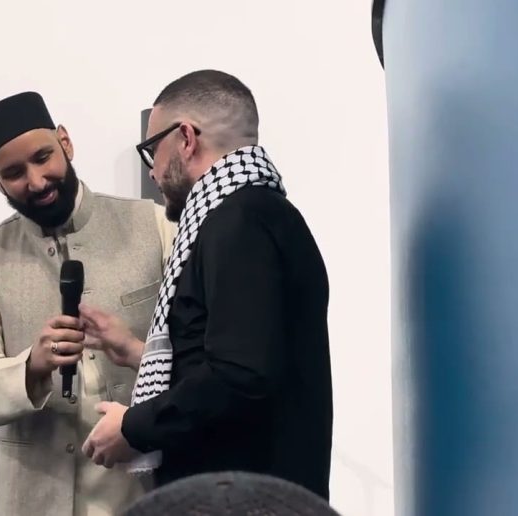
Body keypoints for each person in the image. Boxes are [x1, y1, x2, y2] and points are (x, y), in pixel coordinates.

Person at [80, 70, 333, 500]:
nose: (153, 172)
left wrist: (133, 427)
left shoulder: (238, 221)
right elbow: (244, 356)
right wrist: (137, 352)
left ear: (185, 138)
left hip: (242, 502)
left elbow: (239, 374)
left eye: (152, 150)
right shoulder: (257, 214)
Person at [0, 91, 176, 516]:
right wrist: (31, 366)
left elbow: (197, 358)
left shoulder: (152, 225)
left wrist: (134, 354)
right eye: (14, 173)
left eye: (43, 158)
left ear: (65, 143)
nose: (36, 182)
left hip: (142, 495)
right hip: (32, 501)